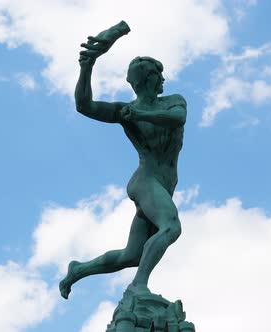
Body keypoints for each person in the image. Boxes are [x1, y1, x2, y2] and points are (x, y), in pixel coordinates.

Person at [59, 34, 187, 299]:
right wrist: (87, 66)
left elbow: (177, 118)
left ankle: (78, 270)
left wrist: (140, 114)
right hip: (146, 181)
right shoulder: (124, 111)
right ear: (148, 79)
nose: (163, 80)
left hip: (163, 183)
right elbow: (84, 106)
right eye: (158, 74)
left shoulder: (172, 101)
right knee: (171, 226)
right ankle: (138, 286)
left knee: (132, 255)